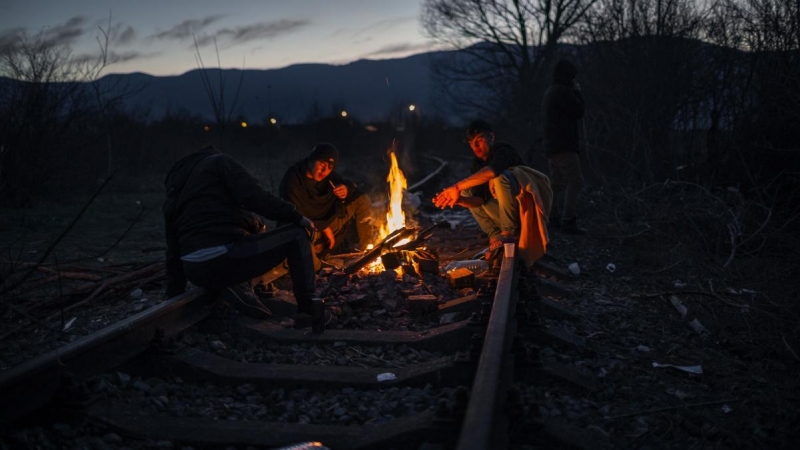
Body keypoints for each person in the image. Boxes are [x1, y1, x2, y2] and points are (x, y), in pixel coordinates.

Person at [163, 144, 318, 323]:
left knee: (249, 238)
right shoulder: (219, 162)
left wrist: (173, 300)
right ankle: (309, 310)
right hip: (226, 258)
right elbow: (255, 196)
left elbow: (173, 252)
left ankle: (234, 285)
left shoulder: (176, 193)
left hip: (195, 270)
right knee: (296, 235)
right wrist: (297, 217)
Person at [433, 120, 552, 265]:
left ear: (491, 137)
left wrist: (457, 186)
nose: (475, 146)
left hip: (522, 213)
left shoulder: (503, 150)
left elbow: (492, 171)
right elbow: (479, 200)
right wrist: (459, 199)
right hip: (502, 214)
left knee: (499, 177)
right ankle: (496, 236)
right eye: (471, 142)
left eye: (480, 140)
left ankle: (510, 234)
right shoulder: (478, 163)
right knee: (468, 190)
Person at [280, 143, 375, 269]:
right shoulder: (293, 180)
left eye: (330, 168)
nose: (324, 171)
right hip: (303, 230)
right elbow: (296, 214)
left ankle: (368, 251)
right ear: (311, 159)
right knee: (309, 262)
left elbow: (350, 187)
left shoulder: (329, 177)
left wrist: (346, 189)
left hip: (326, 223)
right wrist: (324, 227)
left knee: (362, 199)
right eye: (321, 165)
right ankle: (319, 265)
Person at [542, 58, 587, 234]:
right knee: (575, 182)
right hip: (564, 145)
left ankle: (553, 218)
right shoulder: (563, 91)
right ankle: (568, 220)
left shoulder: (551, 91)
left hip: (552, 145)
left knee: (557, 183)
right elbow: (578, 111)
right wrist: (578, 92)